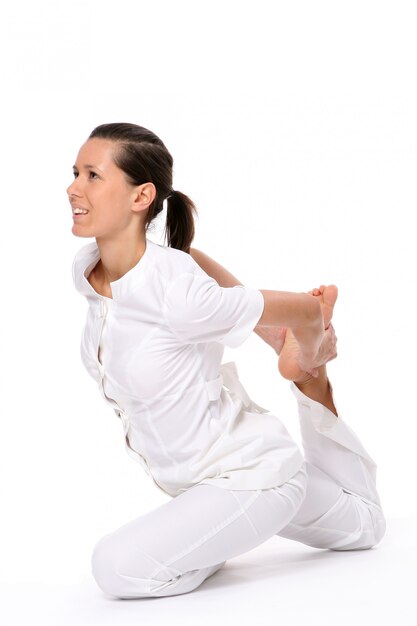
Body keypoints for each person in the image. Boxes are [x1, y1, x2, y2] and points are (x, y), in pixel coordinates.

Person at [69, 122, 386, 599]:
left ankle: (310, 380)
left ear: (141, 197)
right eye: (74, 172)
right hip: (210, 483)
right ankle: (308, 387)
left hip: (248, 478)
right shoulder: (87, 268)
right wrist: (274, 335)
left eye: (93, 175)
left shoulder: (180, 293)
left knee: (117, 568)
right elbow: (184, 257)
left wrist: (310, 344)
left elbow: (303, 306)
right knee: (366, 526)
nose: (73, 188)